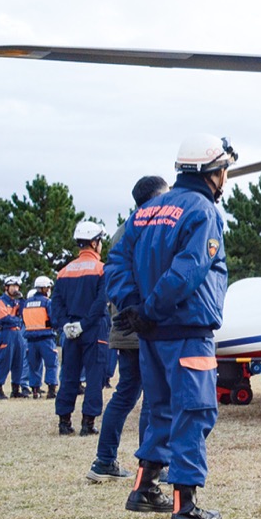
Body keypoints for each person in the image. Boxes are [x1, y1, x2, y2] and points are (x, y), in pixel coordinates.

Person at [107, 134, 237, 519]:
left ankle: (144, 488)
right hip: (186, 329)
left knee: (160, 409)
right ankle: (186, 507)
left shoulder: (146, 210)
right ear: (211, 172)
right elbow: (189, 270)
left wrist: (134, 309)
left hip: (151, 334)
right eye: (224, 171)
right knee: (194, 412)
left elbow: (117, 262)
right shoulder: (203, 211)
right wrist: (149, 309)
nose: (226, 179)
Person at [88, 176, 170, 483]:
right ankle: (153, 467)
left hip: (123, 325)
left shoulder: (123, 231)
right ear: (152, 200)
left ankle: (104, 460)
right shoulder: (148, 229)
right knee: (153, 397)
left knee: (125, 394)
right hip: (142, 324)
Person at [53, 221, 111, 437]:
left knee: (69, 375)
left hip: (69, 331)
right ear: (94, 243)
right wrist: (84, 324)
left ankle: (64, 422)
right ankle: (88, 423)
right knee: (95, 376)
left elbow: (56, 304)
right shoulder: (102, 269)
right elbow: (101, 302)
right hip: (93, 329)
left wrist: (66, 325)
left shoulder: (63, 272)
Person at [0, 276, 30, 399]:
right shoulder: (0, 301)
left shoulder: (17, 302)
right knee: (5, 361)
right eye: (13, 286)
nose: (15, 289)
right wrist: (17, 320)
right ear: (6, 287)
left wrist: (23, 301)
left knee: (18, 361)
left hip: (18, 333)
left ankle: (15, 389)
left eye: (17, 286)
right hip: (6, 333)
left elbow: (23, 315)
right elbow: (5, 319)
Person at [22, 276, 59, 399]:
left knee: (34, 366)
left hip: (31, 340)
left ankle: (35, 391)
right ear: (44, 288)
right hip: (46, 338)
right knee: (51, 364)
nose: (49, 290)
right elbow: (54, 319)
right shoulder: (47, 302)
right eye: (48, 287)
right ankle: (51, 390)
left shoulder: (26, 303)